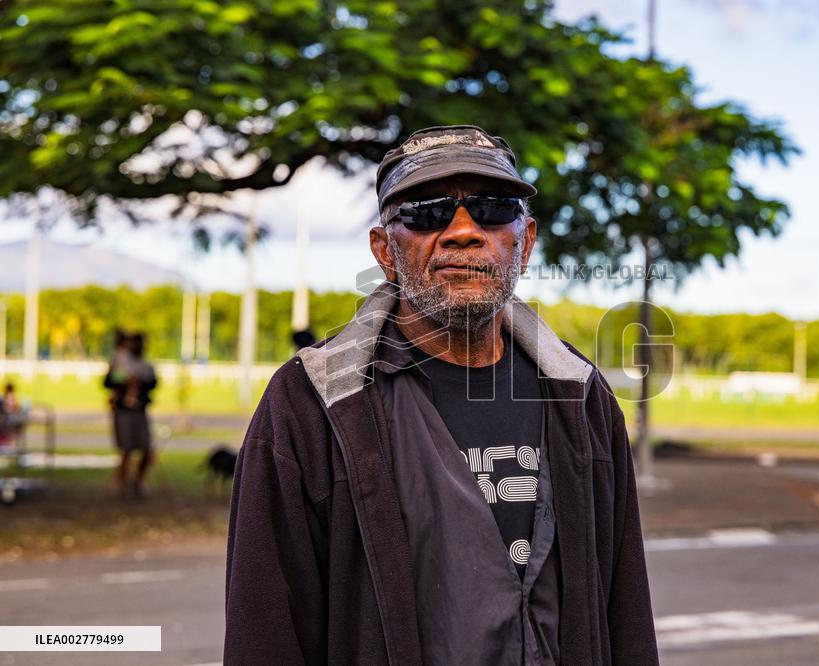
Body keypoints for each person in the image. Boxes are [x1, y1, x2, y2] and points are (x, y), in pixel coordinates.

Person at [225, 126, 657, 664]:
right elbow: (264, 633)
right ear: (384, 250)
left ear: (525, 243)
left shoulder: (582, 398)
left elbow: (626, 615)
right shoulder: (313, 403)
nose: (462, 232)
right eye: (426, 211)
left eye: (494, 209)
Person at [104, 332, 157, 498]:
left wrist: (139, 382)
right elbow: (108, 382)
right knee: (126, 450)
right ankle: (122, 484)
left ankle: (138, 482)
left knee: (147, 450)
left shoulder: (145, 365)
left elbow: (153, 383)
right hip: (124, 412)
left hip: (140, 411)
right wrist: (124, 382)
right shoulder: (119, 362)